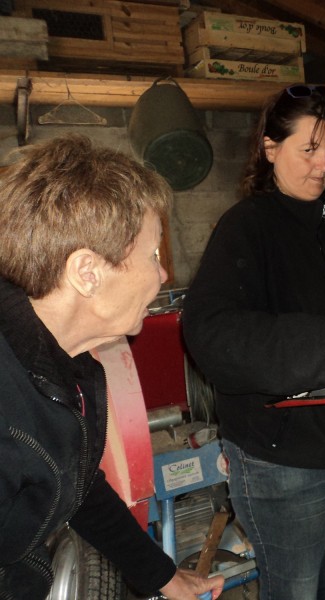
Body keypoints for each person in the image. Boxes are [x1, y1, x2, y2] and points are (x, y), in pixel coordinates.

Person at [181, 84, 325, 600]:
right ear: (271, 148)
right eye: (310, 149)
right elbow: (211, 332)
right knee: (295, 590)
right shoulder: (245, 229)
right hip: (285, 460)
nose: (324, 166)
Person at [0, 135, 223, 599]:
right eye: (153, 256)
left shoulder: (67, 361)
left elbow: (75, 482)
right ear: (87, 273)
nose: (163, 275)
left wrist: (160, 574)